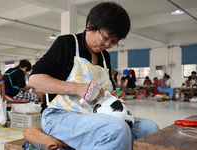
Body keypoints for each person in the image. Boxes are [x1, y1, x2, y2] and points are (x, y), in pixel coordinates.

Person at [29, 2, 159, 150]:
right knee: (116, 129)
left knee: (149, 128)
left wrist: (116, 96)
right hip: (58, 116)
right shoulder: (67, 43)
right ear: (91, 25)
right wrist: (76, 88)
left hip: (95, 114)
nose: (107, 45)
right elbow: (35, 79)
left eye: (113, 42)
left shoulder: (105, 57)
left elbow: (107, 88)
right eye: (106, 38)